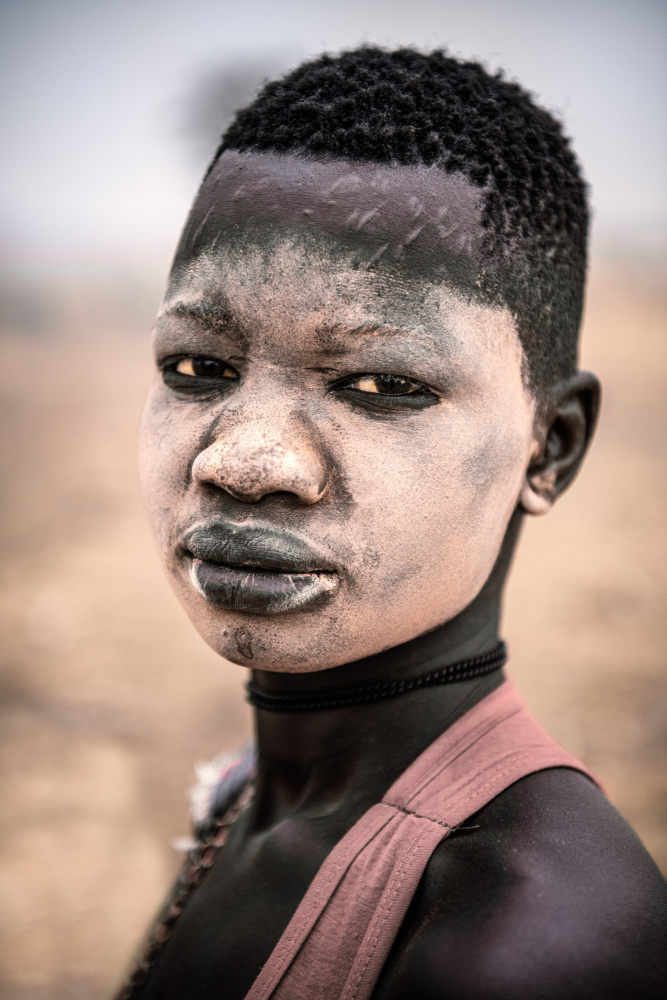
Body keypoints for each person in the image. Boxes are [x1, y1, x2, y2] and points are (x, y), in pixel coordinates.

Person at [116, 47, 667, 999]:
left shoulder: (522, 940)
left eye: (382, 386)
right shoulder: (255, 794)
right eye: (197, 368)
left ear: (550, 448)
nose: (240, 462)